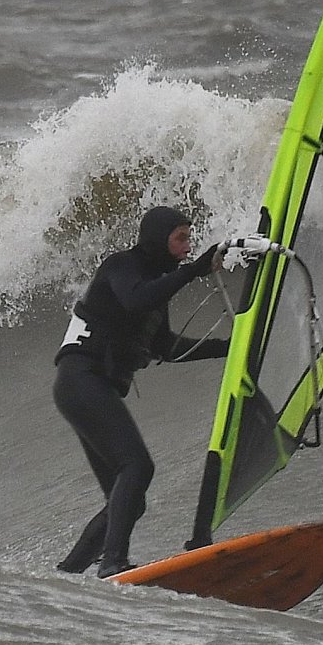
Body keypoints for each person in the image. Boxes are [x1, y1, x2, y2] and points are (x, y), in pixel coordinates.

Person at [51, 205, 227, 576]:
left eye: (189, 239)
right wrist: (192, 272)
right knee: (137, 466)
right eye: (180, 238)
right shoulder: (122, 266)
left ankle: (68, 573)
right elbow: (135, 299)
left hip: (89, 385)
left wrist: (230, 346)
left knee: (130, 499)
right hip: (81, 379)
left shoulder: (154, 286)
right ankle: (112, 563)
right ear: (158, 239)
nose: (187, 247)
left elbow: (166, 347)